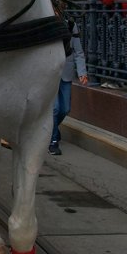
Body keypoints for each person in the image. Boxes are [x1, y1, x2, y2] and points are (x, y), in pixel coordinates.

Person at [48, 12, 87, 156]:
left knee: (65, 108)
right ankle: (52, 141)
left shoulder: (71, 24)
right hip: (50, 72)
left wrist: (82, 72)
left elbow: (78, 51)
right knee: (55, 108)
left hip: (66, 72)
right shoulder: (47, 24)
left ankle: (50, 130)